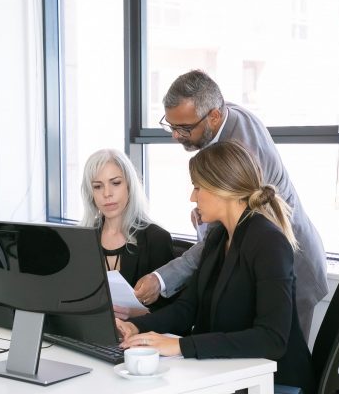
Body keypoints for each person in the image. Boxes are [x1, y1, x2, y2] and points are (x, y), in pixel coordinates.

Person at [134, 69, 328, 341]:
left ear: (214, 116)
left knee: (280, 364)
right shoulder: (222, 116)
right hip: (260, 258)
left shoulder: (242, 151)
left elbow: (214, 238)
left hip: (292, 263)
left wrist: (162, 279)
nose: (175, 136)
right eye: (171, 125)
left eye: (185, 128)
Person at [117, 141, 316, 393]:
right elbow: (187, 308)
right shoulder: (218, 236)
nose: (192, 197)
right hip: (228, 373)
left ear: (224, 189)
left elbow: (271, 339)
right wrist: (138, 328)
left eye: (197, 187)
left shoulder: (268, 242)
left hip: (274, 381)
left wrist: (180, 347)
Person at [81, 148, 174, 316]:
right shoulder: (83, 239)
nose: (107, 194)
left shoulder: (156, 238)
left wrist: (134, 313)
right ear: (91, 193)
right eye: (97, 186)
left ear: (129, 186)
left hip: (140, 336)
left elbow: (172, 313)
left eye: (115, 183)